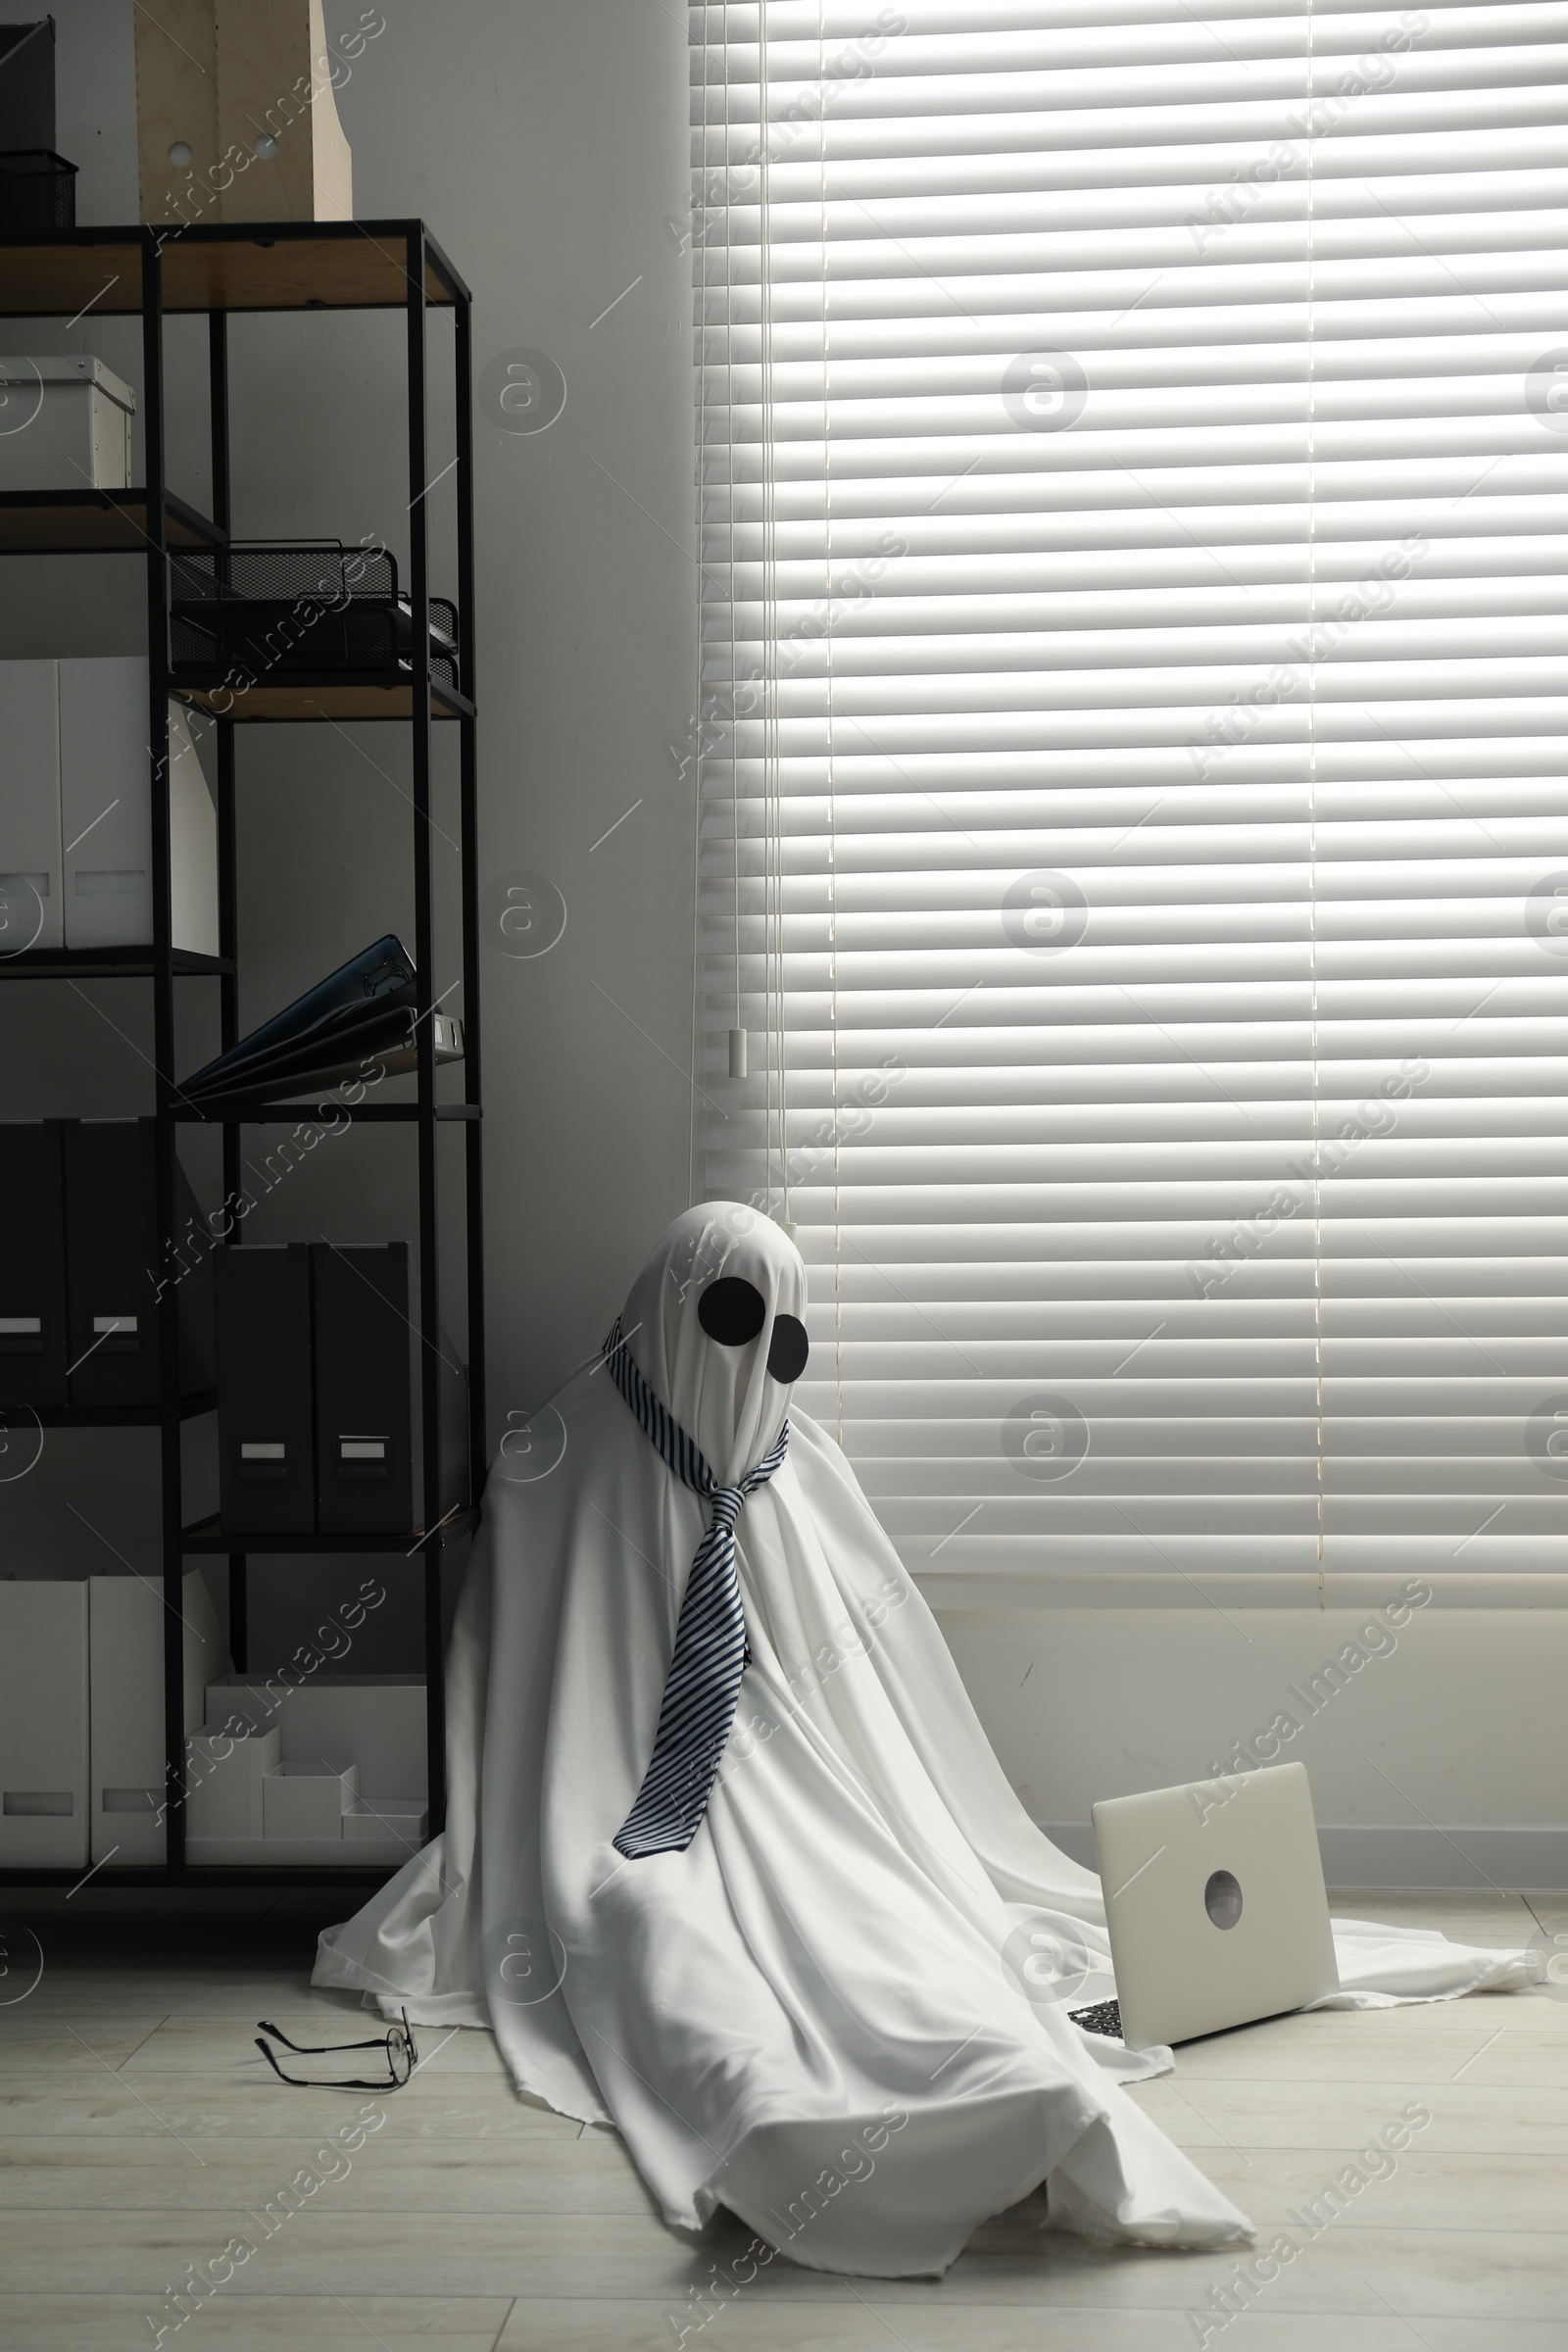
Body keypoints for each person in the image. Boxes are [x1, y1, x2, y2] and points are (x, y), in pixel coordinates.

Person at [315, 1201, 1538, 2278]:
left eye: (781, 1337)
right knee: (663, 1946)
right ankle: (790, 2138)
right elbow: (521, 1681)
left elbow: (885, 1693)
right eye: (731, 1316)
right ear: (669, 1299)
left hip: (828, 1816)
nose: (751, 1365)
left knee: (913, 1949)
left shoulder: (796, 1467)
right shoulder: (561, 1460)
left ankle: (1022, 2103)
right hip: (636, 1827)